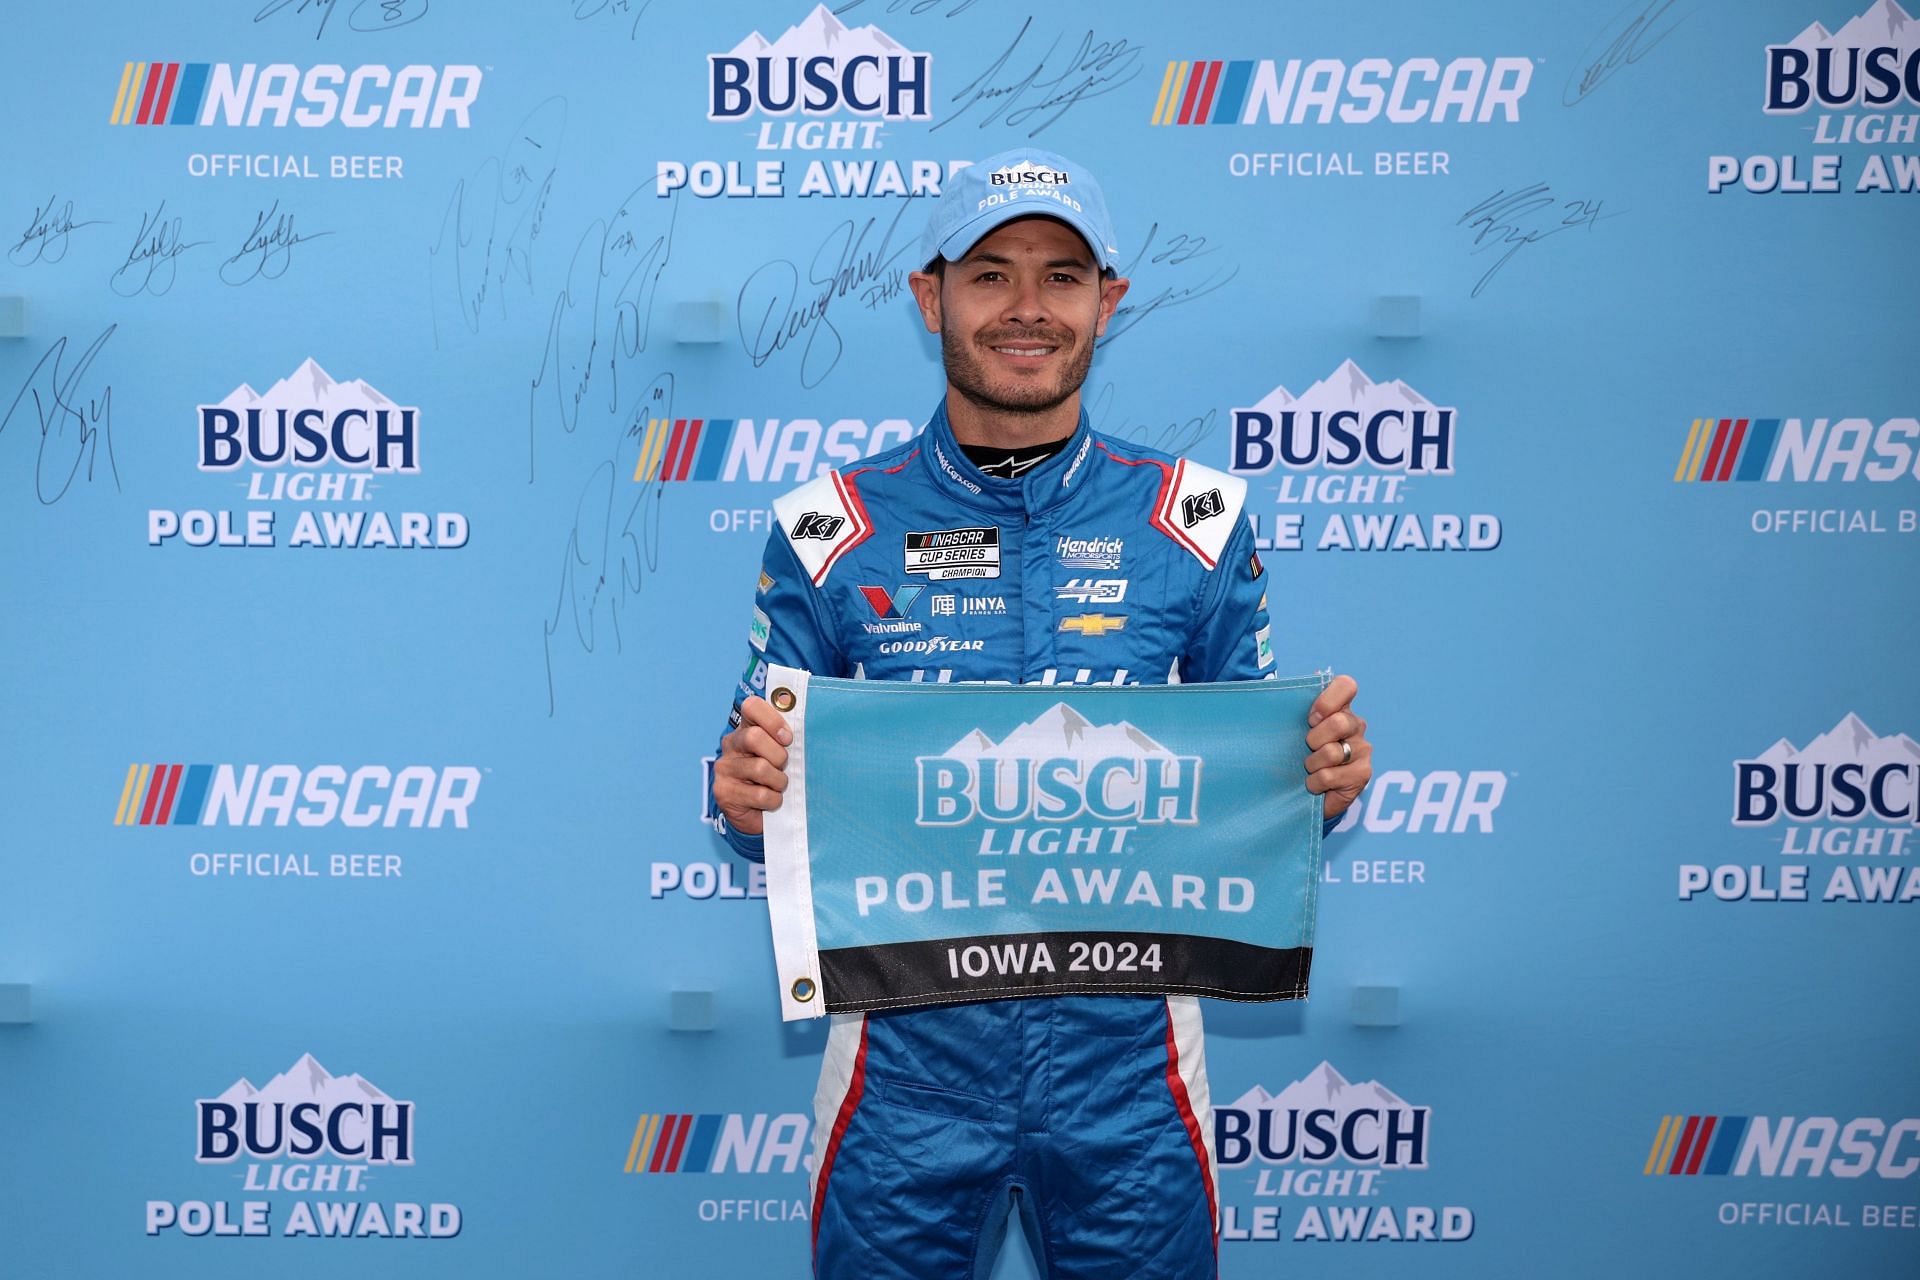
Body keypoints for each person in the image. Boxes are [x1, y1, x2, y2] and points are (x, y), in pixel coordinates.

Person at [710, 148, 1372, 1280]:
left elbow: (1261, 793)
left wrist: (1320, 781)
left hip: (1131, 1071)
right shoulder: (829, 524)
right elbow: (756, 798)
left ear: (1107, 302)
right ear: (932, 297)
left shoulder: (1198, 520)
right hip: (902, 1065)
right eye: (990, 273)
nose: (1026, 308)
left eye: (1062, 276)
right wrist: (739, 796)